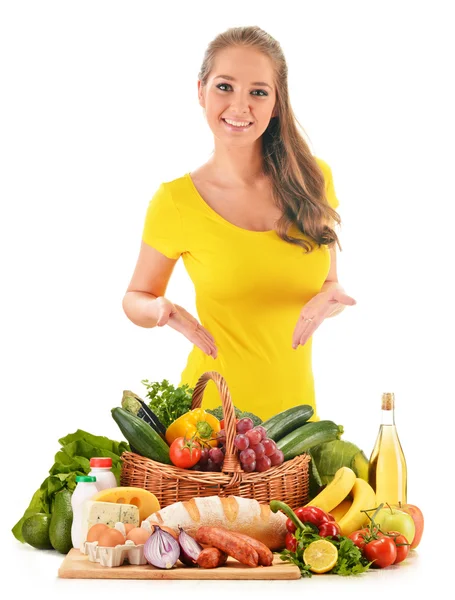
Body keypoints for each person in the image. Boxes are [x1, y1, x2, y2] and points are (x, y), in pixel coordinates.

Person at [122, 25, 356, 422]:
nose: (240, 106)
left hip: (297, 422)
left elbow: (329, 284)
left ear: (277, 102)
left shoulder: (314, 180)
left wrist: (329, 300)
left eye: (258, 92)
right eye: (225, 87)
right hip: (209, 428)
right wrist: (159, 308)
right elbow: (135, 298)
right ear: (201, 92)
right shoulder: (176, 202)